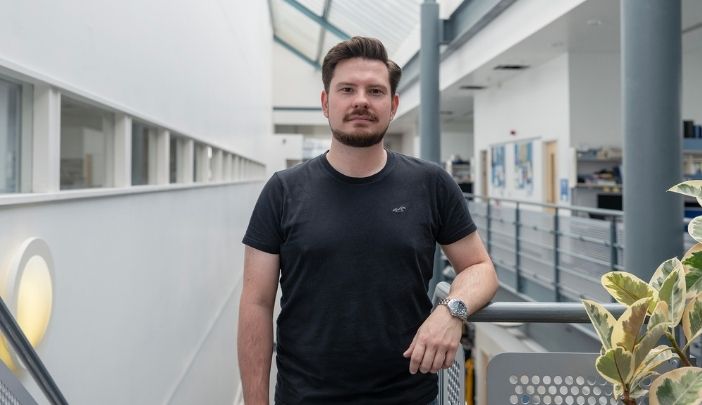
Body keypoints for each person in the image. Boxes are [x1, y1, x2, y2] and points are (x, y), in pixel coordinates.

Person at [238, 36, 497, 405]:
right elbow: (256, 304)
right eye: (347, 89)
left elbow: (480, 267)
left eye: (375, 91)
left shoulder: (430, 183)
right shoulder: (283, 190)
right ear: (326, 103)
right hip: (305, 397)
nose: (361, 100)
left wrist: (451, 311)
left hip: (409, 396)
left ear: (392, 106)